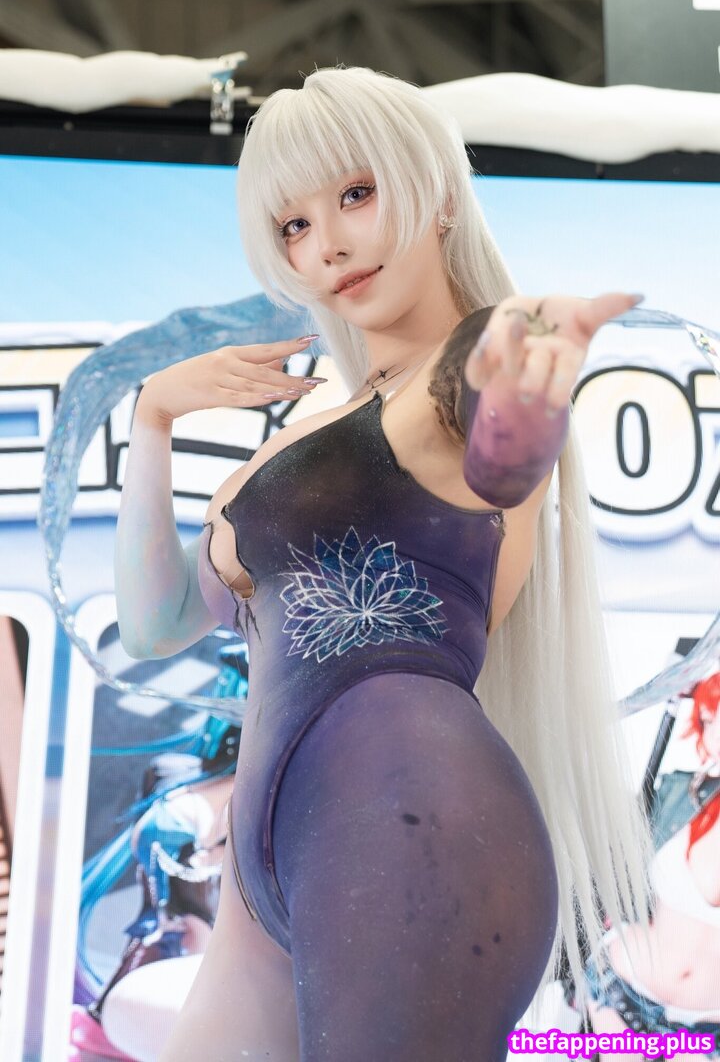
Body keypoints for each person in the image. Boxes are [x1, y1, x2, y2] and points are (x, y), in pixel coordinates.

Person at [114, 65, 654, 1061]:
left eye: (356, 194)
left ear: (434, 190)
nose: (328, 243)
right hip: (272, 869)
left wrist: (532, 372)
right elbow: (154, 625)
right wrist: (153, 416)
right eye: (294, 224)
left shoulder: (469, 365)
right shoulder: (311, 429)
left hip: (411, 818)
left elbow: (499, 457)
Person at [584, 672, 720, 1061]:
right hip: (620, 989)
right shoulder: (681, 793)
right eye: (707, 717)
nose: (713, 731)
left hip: (702, 1030)